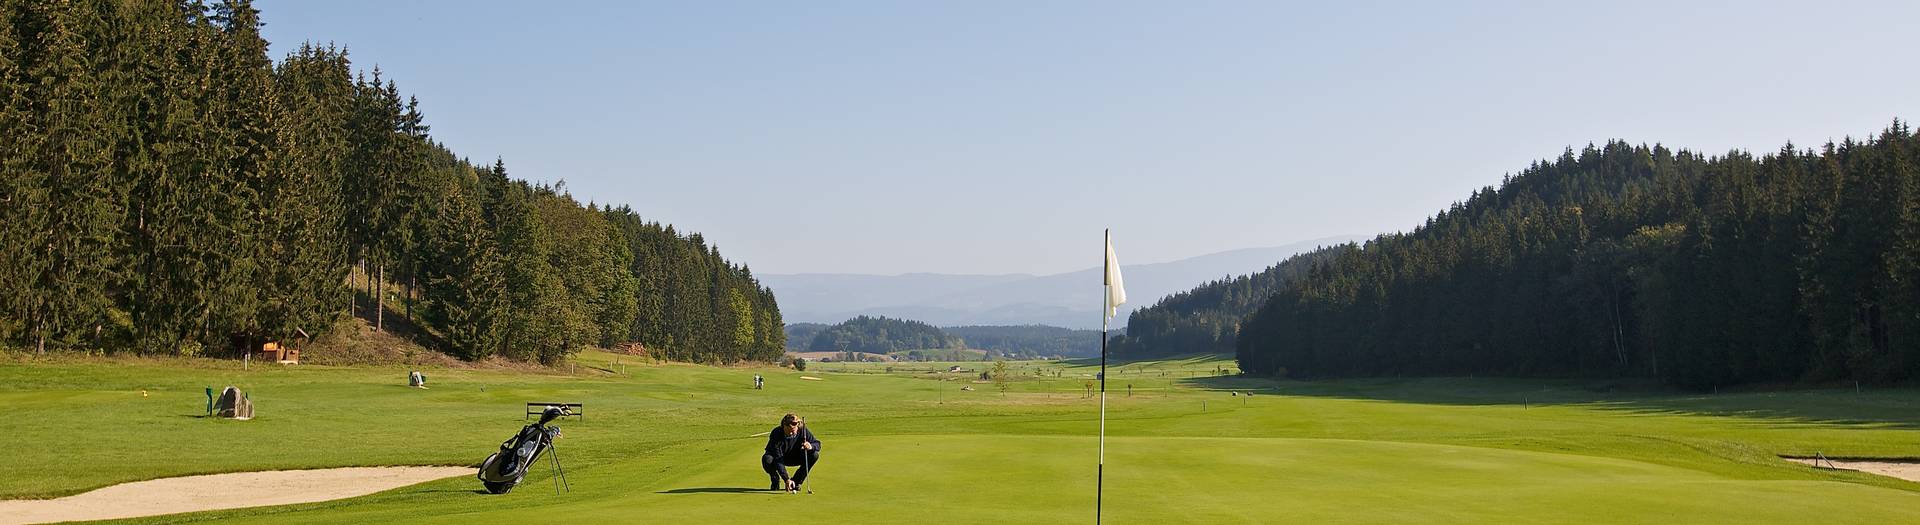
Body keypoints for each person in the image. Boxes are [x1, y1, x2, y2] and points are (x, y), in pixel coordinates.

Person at [761, 413, 821, 492]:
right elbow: (778, 457)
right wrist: (786, 479)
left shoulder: (803, 430)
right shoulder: (776, 433)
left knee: (814, 455)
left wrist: (811, 446)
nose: (791, 434)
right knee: (767, 459)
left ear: (797, 426)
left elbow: (817, 444)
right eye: (789, 432)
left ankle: (796, 482)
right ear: (784, 426)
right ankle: (775, 479)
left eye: (793, 431)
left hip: (796, 456)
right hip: (779, 457)